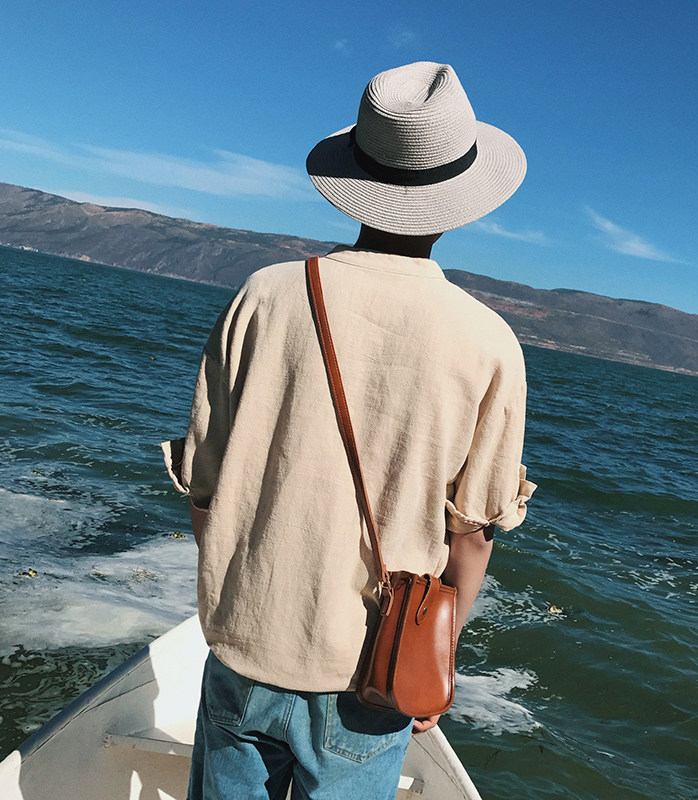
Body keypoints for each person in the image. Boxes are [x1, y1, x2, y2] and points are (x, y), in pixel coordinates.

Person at [162, 60, 536, 800]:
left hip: (244, 647)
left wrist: (245, 596)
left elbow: (204, 486)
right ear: (458, 204)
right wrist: (440, 651)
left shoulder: (264, 296)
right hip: (372, 671)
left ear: (355, 181)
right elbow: (472, 534)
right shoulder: (488, 342)